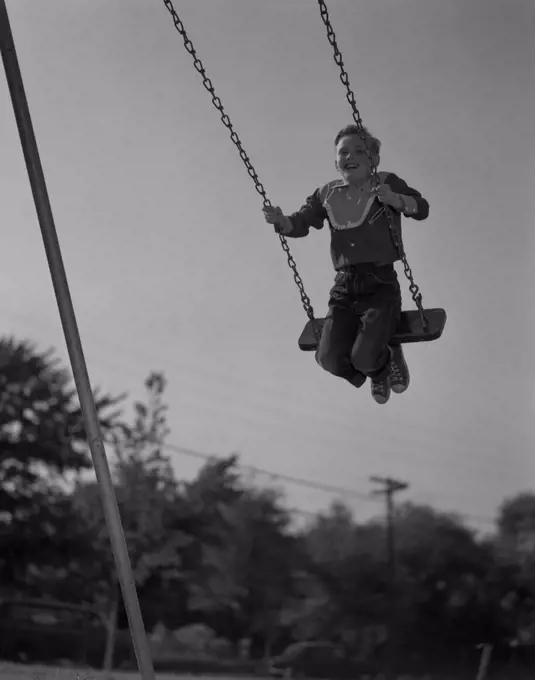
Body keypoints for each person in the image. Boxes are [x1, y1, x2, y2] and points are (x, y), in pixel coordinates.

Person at [262, 124, 429, 404]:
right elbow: (301, 222)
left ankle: (380, 360)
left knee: (363, 355)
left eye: (359, 151)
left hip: (380, 284)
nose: (350, 156)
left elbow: (421, 208)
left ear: (374, 159)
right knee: (328, 358)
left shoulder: (386, 182)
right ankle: (378, 366)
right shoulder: (327, 193)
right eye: (343, 152)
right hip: (344, 288)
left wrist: (396, 200)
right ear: (335, 162)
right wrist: (281, 221)